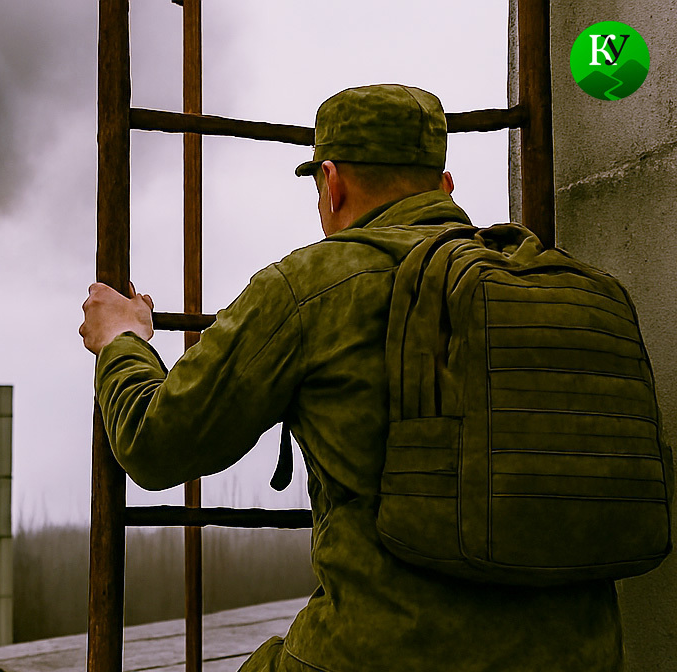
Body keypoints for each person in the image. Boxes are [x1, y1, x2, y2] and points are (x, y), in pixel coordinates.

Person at [79, 84, 622, 672]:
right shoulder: (554, 282)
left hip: (384, 654)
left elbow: (155, 444)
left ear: (332, 183)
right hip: (582, 655)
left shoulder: (310, 285)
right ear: (445, 186)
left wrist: (122, 340)